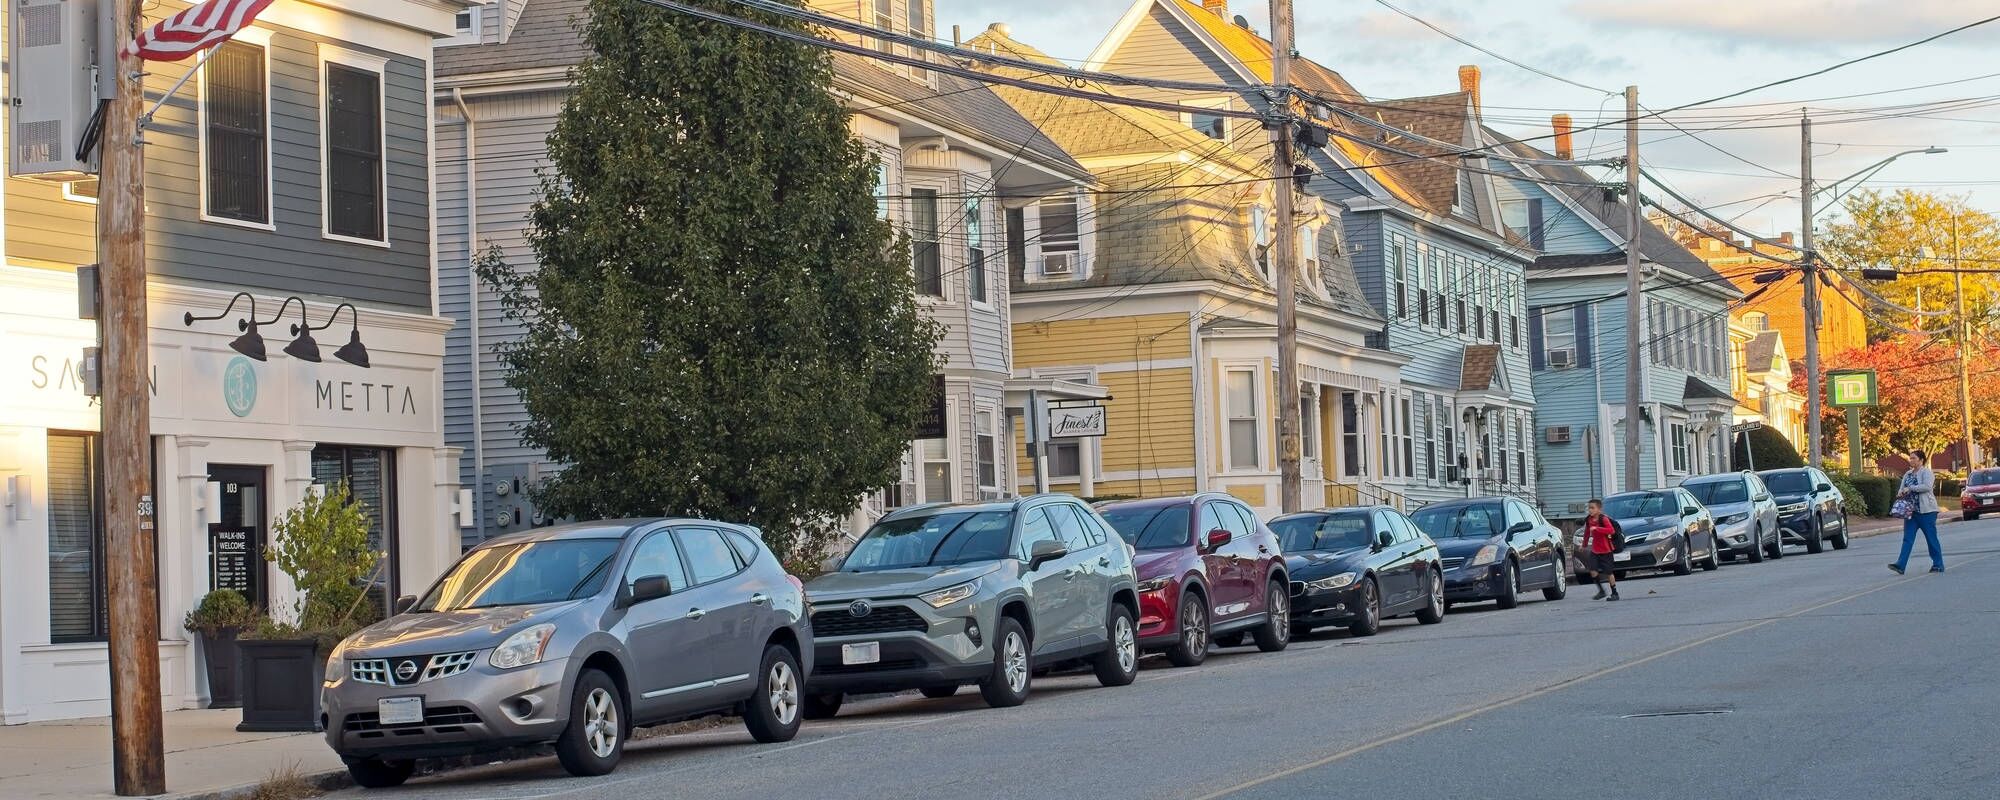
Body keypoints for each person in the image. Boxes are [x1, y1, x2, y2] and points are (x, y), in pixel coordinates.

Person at [1890, 448, 1945, 575]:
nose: (1911, 460)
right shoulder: (1907, 474)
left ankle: (1938, 564)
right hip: (1911, 513)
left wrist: (1910, 488)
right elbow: (1901, 488)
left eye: (1914, 458)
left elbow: (1927, 487)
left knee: (1931, 539)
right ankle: (1900, 565)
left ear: (1921, 460)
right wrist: (1900, 493)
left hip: (1926, 512)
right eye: (1910, 458)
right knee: (1907, 539)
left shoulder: (1926, 473)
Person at [1581, 498, 1622, 601]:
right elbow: (1586, 532)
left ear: (1599, 509)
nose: (1590, 510)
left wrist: (1597, 529)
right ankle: (1601, 591)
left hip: (1606, 550)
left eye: (1592, 508)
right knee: (1593, 570)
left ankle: (1615, 593)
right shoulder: (1589, 519)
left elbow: (1611, 531)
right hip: (1595, 550)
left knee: (1609, 573)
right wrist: (1584, 544)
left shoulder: (1603, 519)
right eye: (1589, 508)